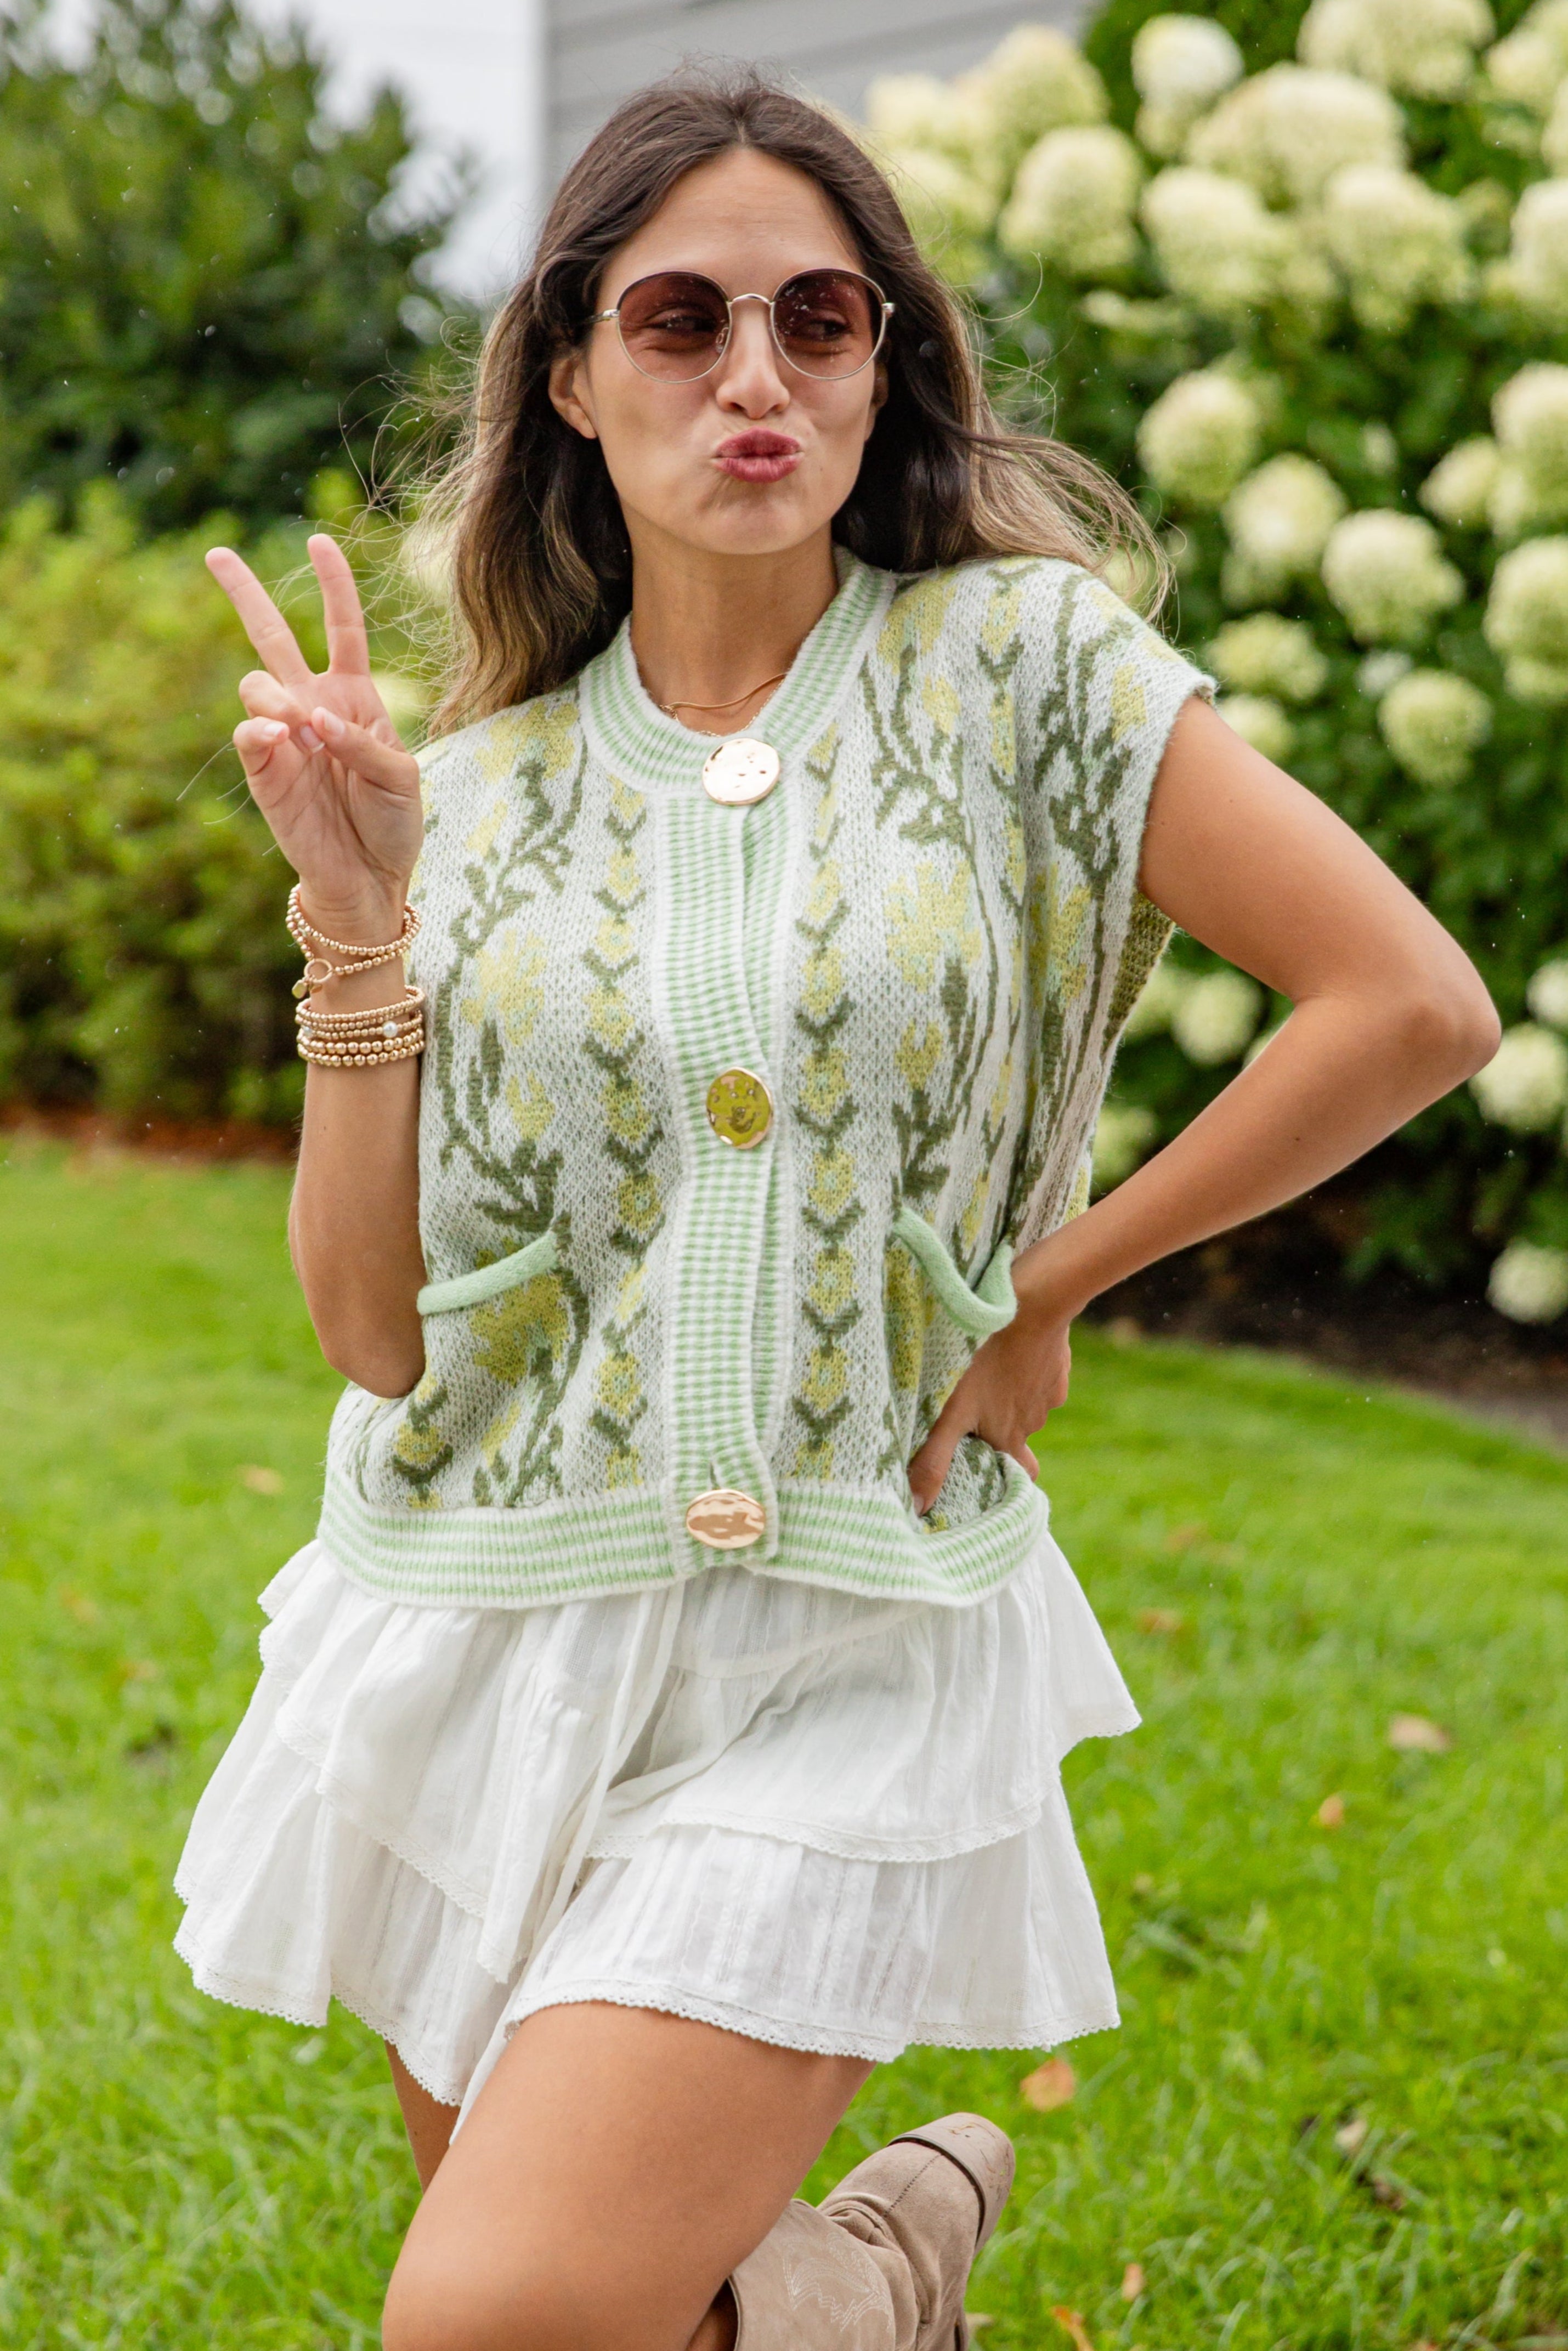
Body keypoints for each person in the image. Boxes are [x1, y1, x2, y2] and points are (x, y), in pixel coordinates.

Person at [174, 66, 1499, 2351]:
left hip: (848, 1633)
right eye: (682, 318)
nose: (757, 371)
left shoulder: (1026, 674)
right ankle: (852, 2279)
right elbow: (376, 1337)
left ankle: (851, 2284)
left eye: (822, 313)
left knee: (488, 2322)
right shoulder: (455, 792)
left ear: (885, 361)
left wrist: (1049, 1282)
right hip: (483, 1630)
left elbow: (1407, 1002)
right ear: (572, 373)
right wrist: (356, 929)